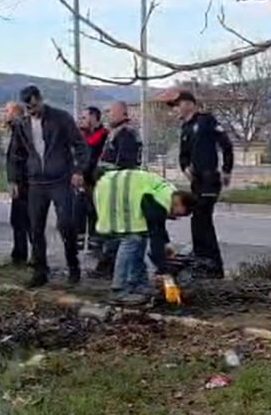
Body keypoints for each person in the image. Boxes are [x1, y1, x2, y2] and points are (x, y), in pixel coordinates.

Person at [9, 85, 89, 288]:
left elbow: (80, 145)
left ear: (41, 99)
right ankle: (40, 271)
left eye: (34, 106)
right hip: (35, 182)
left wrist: (79, 170)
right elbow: (15, 155)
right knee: (35, 229)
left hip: (60, 180)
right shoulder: (22, 124)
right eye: (28, 108)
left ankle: (73, 266)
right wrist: (14, 180)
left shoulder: (61, 118)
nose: (32, 111)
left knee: (66, 225)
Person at [94, 168, 196, 304]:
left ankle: (138, 284)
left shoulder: (166, 195)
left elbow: (157, 227)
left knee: (140, 239)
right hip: (113, 191)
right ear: (179, 203)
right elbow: (156, 234)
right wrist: (163, 269)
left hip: (114, 187)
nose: (175, 218)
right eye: (179, 214)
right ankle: (119, 290)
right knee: (132, 240)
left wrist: (165, 244)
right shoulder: (160, 202)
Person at [169, 90, 233, 279]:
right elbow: (183, 154)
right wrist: (185, 167)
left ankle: (212, 263)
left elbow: (226, 144)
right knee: (197, 219)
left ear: (189, 104)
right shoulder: (185, 128)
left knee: (202, 218)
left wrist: (227, 169)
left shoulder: (206, 121)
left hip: (209, 178)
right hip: (196, 181)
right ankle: (202, 259)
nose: (176, 110)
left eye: (178, 105)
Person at [91, 100, 143, 278]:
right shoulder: (118, 132)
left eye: (112, 112)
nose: (108, 116)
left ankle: (110, 268)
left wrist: (104, 172)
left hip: (119, 187)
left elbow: (124, 164)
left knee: (115, 230)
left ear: (123, 113)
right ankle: (107, 265)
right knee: (112, 229)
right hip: (111, 186)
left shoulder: (127, 134)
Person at [78, 106, 108, 250]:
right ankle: (80, 240)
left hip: (96, 181)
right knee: (80, 210)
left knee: (95, 211)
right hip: (83, 180)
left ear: (94, 117)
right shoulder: (82, 136)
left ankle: (96, 243)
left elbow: (93, 159)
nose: (82, 121)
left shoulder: (103, 135)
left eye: (85, 117)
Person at [4, 102, 31, 265]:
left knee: (24, 220)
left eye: (7, 111)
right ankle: (19, 253)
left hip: (25, 182)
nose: (5, 114)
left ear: (15, 112)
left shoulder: (21, 129)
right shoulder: (17, 129)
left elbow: (17, 158)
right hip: (23, 181)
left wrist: (14, 180)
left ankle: (24, 256)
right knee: (19, 220)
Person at [100, 101, 142, 171]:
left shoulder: (126, 133)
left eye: (110, 112)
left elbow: (124, 163)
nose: (108, 115)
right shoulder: (119, 131)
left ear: (119, 112)